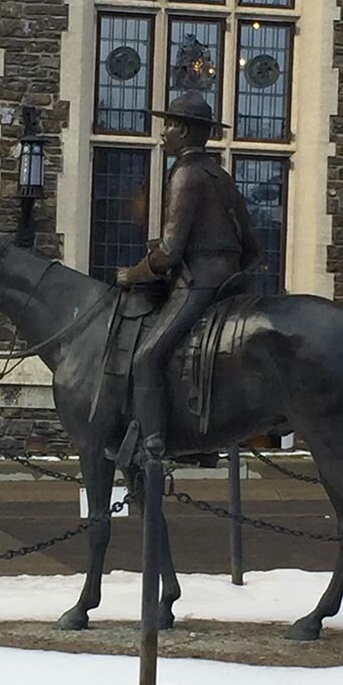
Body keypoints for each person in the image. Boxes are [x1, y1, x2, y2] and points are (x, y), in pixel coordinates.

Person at [116, 90, 263, 460]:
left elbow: (168, 254)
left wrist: (132, 274)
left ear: (182, 130)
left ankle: (153, 445)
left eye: (167, 125)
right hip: (228, 284)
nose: (162, 133)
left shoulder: (185, 174)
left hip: (197, 285)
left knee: (147, 357)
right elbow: (254, 247)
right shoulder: (221, 175)